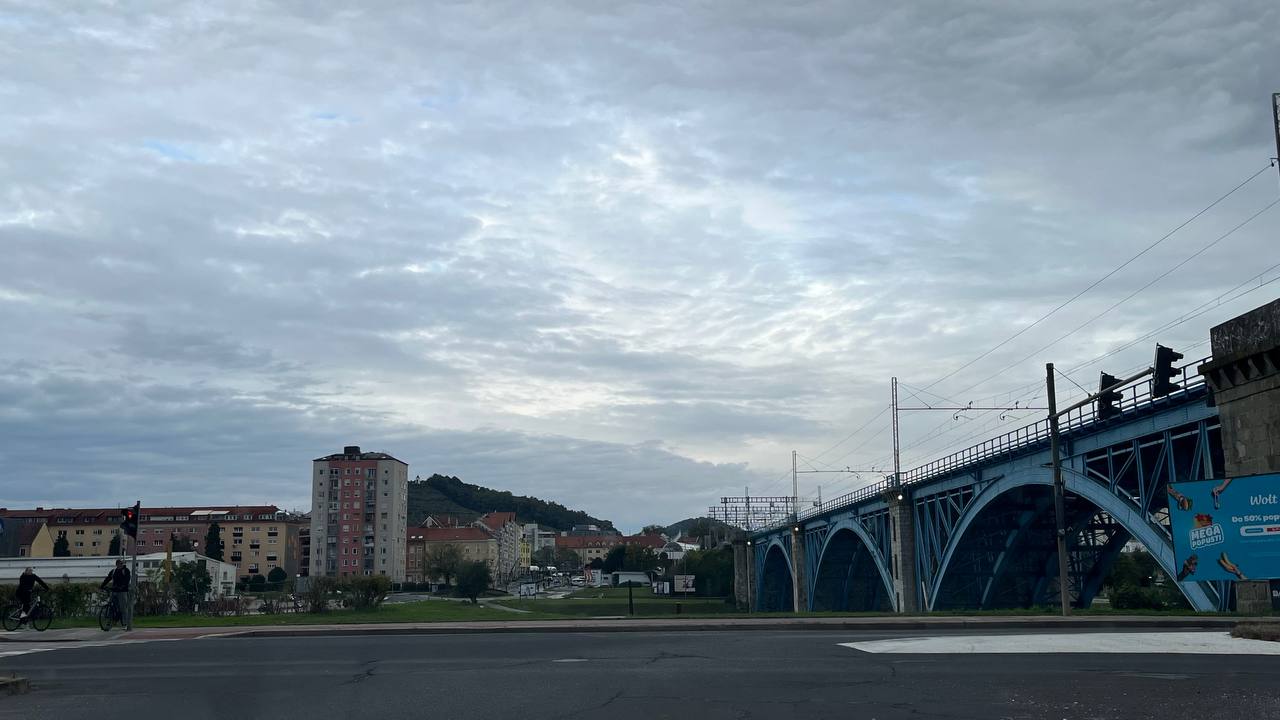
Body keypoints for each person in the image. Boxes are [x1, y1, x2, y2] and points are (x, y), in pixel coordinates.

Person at [101, 559, 132, 630]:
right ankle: (109, 622)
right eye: (117, 563)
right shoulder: (113, 571)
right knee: (110, 606)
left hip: (122, 591)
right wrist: (102, 585)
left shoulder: (125, 570)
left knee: (123, 607)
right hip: (114, 591)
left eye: (120, 563)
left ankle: (124, 623)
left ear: (122, 564)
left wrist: (123, 586)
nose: (119, 565)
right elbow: (108, 578)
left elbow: (127, 580)